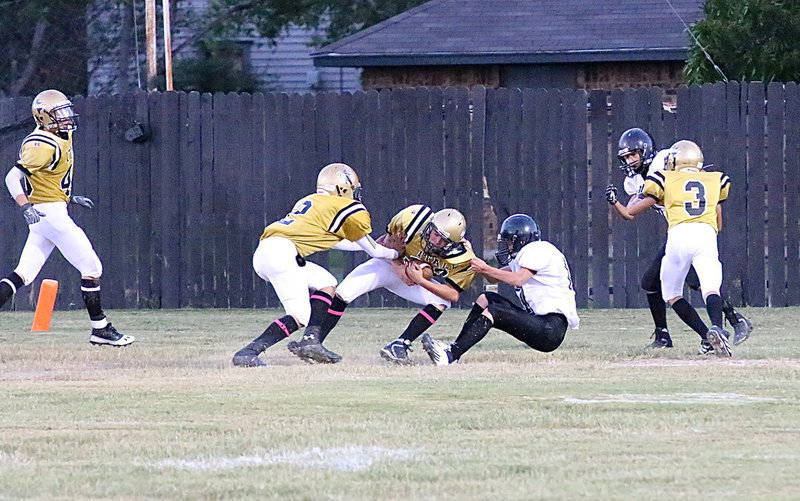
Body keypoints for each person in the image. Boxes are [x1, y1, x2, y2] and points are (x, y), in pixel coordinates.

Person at [231, 162, 403, 367]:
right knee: (300, 314)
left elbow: (337, 242)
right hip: (283, 253)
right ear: (343, 188)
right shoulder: (349, 207)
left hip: (269, 251)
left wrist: (372, 245)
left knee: (326, 282)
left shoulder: (310, 200)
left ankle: (311, 341)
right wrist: (395, 253)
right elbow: (373, 251)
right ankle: (249, 352)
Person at [0, 90, 133, 347]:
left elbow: (47, 179)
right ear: (44, 117)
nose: (66, 117)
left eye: (66, 111)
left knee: (23, 274)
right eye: (59, 113)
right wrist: (25, 205)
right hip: (48, 214)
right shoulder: (41, 144)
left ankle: (100, 330)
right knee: (92, 268)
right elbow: (12, 178)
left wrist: (69, 197)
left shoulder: (61, 135)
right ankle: (100, 329)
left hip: (51, 209)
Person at [606, 128, 752, 348]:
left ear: (645, 151)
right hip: (685, 230)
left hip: (686, 227)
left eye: (633, 154)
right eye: (626, 157)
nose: (630, 160)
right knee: (658, 282)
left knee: (681, 283)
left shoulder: (664, 163)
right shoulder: (636, 181)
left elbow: (631, 210)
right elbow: (631, 209)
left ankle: (721, 326)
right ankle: (692, 331)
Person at [288, 205, 475, 365]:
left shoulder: (463, 257)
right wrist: (399, 265)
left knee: (441, 302)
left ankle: (400, 344)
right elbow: (382, 243)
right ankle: (314, 343)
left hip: (412, 279)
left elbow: (453, 295)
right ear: (430, 226)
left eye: (444, 240)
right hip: (387, 265)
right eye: (435, 234)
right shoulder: (413, 218)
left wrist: (421, 280)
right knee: (343, 293)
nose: (436, 241)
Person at [421, 214, 580, 365]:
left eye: (509, 242)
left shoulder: (538, 249)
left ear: (521, 241)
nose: (508, 247)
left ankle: (449, 355)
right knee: (486, 298)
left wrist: (485, 268)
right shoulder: (531, 253)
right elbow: (493, 277)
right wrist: (471, 258)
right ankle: (455, 352)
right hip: (541, 323)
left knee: (495, 310)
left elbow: (518, 279)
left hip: (550, 328)